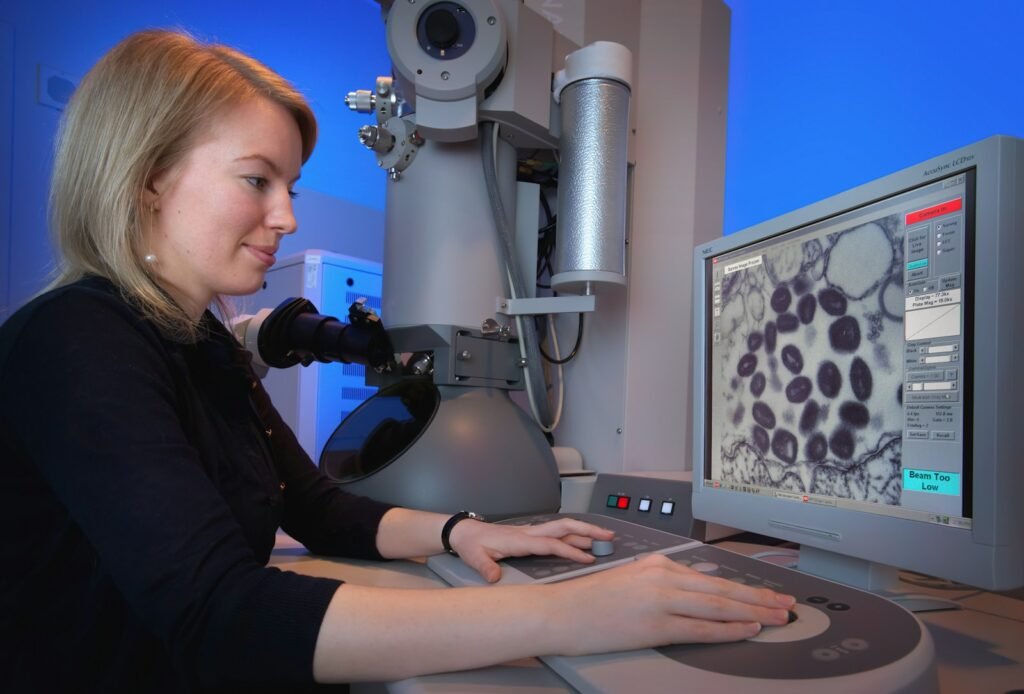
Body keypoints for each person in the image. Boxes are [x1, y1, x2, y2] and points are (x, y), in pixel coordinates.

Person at [0, 29, 795, 692]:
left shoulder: (200, 343)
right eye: (257, 180)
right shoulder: (76, 339)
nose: (284, 216)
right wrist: (572, 615)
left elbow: (315, 506)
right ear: (146, 179)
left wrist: (460, 534)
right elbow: (220, 617)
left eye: (292, 187)